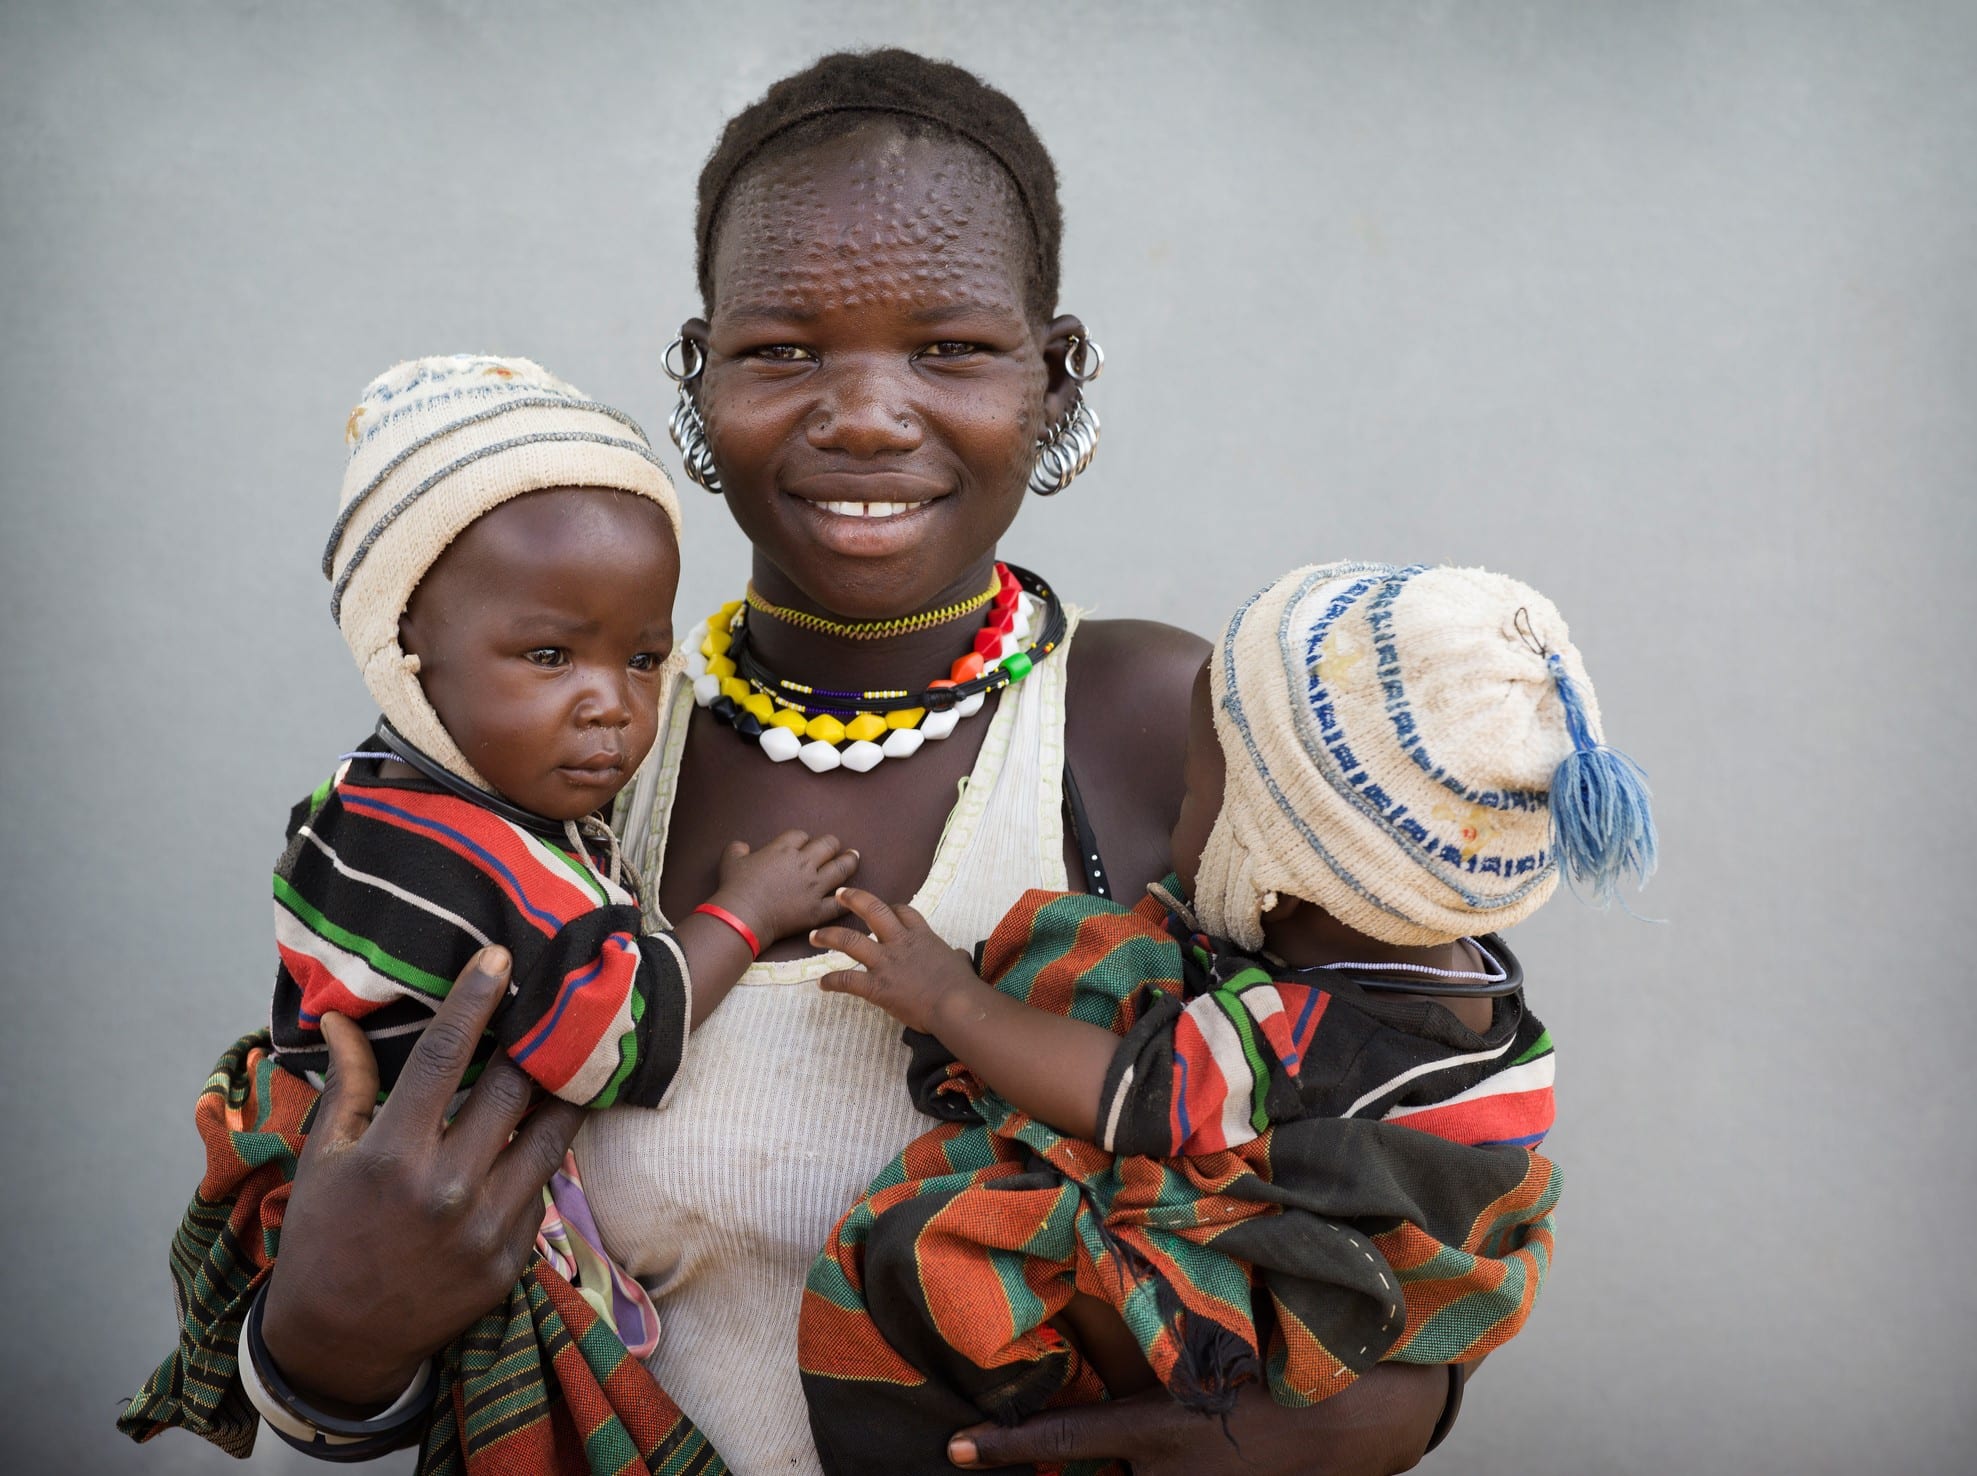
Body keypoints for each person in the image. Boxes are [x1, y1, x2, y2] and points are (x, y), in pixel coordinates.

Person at [133, 50, 1502, 1475]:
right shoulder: (537, 763)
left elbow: (1433, 1165)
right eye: (781, 349)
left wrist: (1384, 1411)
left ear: (1056, 372)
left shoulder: (1174, 728)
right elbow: (319, 1313)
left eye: (951, 348)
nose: (861, 413)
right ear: (697, 374)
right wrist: (329, 1341)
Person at [799, 561, 1656, 1472]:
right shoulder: (1473, 981)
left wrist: (948, 997)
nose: (1175, 810)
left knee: (926, 1249)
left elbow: (1127, 1094)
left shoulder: (1305, 1031)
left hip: (1301, 1308)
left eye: (1195, 794)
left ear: (1275, 875)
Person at [271, 352, 858, 1116]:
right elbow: (619, 1048)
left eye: (644, 659)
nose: (611, 704)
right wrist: (746, 911)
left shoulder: (349, 804)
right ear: (400, 646)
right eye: (549, 656)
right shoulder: (499, 870)